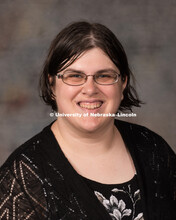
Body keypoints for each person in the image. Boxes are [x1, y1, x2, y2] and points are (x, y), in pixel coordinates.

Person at [0, 22, 175, 220]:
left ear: (123, 83)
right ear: (52, 86)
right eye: (75, 76)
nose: (90, 89)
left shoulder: (154, 150)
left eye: (104, 76)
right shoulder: (22, 178)